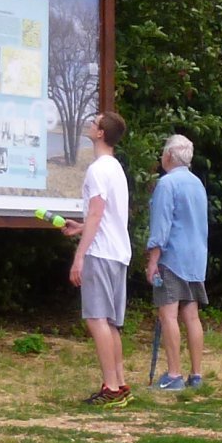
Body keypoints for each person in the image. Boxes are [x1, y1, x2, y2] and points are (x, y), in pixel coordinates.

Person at [59, 110, 134, 405]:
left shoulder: (97, 170)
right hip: (118, 252)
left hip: (101, 254)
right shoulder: (115, 168)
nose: (91, 124)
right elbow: (104, 217)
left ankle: (111, 389)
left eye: (95, 122)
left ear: (101, 133)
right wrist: (80, 228)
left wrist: (80, 257)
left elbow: (96, 212)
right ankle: (120, 382)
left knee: (95, 319)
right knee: (110, 322)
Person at [144, 132, 210, 391]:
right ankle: (196, 375)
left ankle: (173, 375)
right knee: (191, 315)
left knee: (168, 313)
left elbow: (161, 226)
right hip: (196, 257)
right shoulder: (197, 184)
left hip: (172, 258)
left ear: (169, 155)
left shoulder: (167, 184)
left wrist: (153, 261)